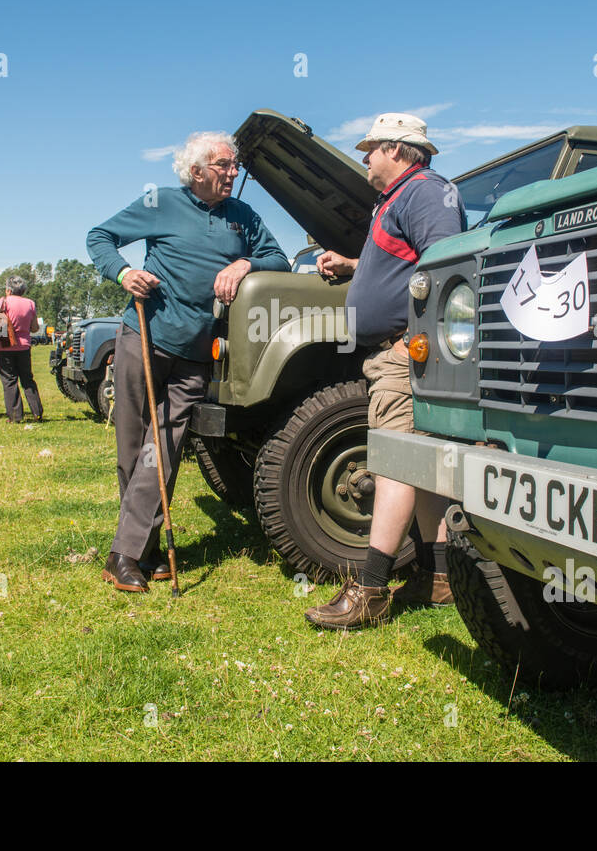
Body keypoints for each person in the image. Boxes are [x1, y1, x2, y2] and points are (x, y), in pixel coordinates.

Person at [86, 131, 290, 592]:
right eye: (224, 165)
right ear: (196, 171)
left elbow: (278, 257)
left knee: (165, 450)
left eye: (234, 165)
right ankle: (146, 549)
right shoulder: (161, 203)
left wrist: (246, 266)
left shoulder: (243, 216)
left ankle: (126, 554)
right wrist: (123, 271)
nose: (233, 173)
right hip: (146, 336)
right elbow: (100, 236)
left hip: (199, 354)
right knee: (134, 447)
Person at [304, 113, 465, 629]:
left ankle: (371, 590)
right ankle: (438, 578)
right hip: (401, 350)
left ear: (397, 149)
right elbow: (406, 264)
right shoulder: (398, 198)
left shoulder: (423, 192)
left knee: (393, 462)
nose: (365, 157)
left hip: (406, 353)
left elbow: (443, 266)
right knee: (419, 466)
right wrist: (355, 267)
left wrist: (411, 348)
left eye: (371, 148)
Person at [0, 275, 44, 423]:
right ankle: (37, 412)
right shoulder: (30, 303)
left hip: (5, 345)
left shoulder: (4, 301)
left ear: (8, 290)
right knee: (27, 380)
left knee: (9, 380)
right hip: (24, 346)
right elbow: (35, 328)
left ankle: (15, 416)